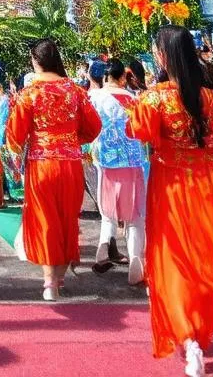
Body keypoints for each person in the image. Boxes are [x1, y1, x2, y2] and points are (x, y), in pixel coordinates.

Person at [127, 26, 213, 377]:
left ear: (163, 56)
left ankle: (188, 335)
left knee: (173, 259)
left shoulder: (155, 98)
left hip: (171, 189)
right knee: (205, 258)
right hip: (210, 189)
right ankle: (197, 327)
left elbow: (138, 131)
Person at [6, 39, 102, 301]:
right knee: (67, 218)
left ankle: (50, 282)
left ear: (35, 61)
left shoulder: (29, 94)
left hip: (42, 164)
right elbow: (93, 127)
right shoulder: (75, 91)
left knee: (46, 219)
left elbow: (15, 136)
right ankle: (59, 275)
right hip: (70, 164)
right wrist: (71, 139)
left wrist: (15, 161)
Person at [89, 58, 147, 284]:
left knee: (107, 212)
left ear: (105, 76)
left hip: (104, 160)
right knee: (134, 216)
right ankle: (135, 260)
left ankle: (102, 250)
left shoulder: (94, 97)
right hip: (133, 161)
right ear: (123, 77)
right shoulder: (133, 99)